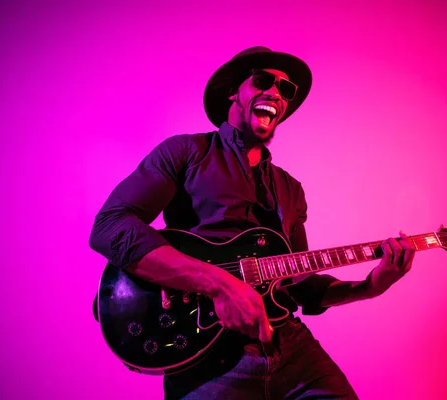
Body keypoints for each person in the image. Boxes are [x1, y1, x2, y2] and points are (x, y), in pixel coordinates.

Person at [89, 46, 416, 400]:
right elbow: (111, 226)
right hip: (208, 357)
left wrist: (371, 285)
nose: (276, 93)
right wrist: (220, 286)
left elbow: (301, 285)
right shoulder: (186, 152)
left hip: (291, 349)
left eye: (286, 90)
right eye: (263, 81)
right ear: (234, 91)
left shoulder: (290, 189)